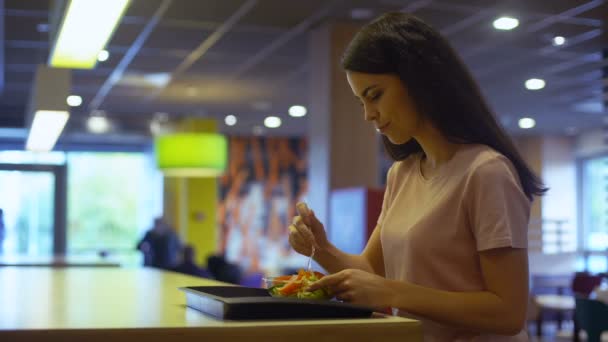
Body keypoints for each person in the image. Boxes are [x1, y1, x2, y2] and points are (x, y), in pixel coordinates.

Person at [288, 12, 546, 341]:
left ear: (417, 80)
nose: (369, 114)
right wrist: (320, 248)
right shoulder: (402, 173)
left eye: (375, 95)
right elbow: (373, 271)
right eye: (361, 101)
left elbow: (508, 312)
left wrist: (392, 293)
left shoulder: (486, 171)